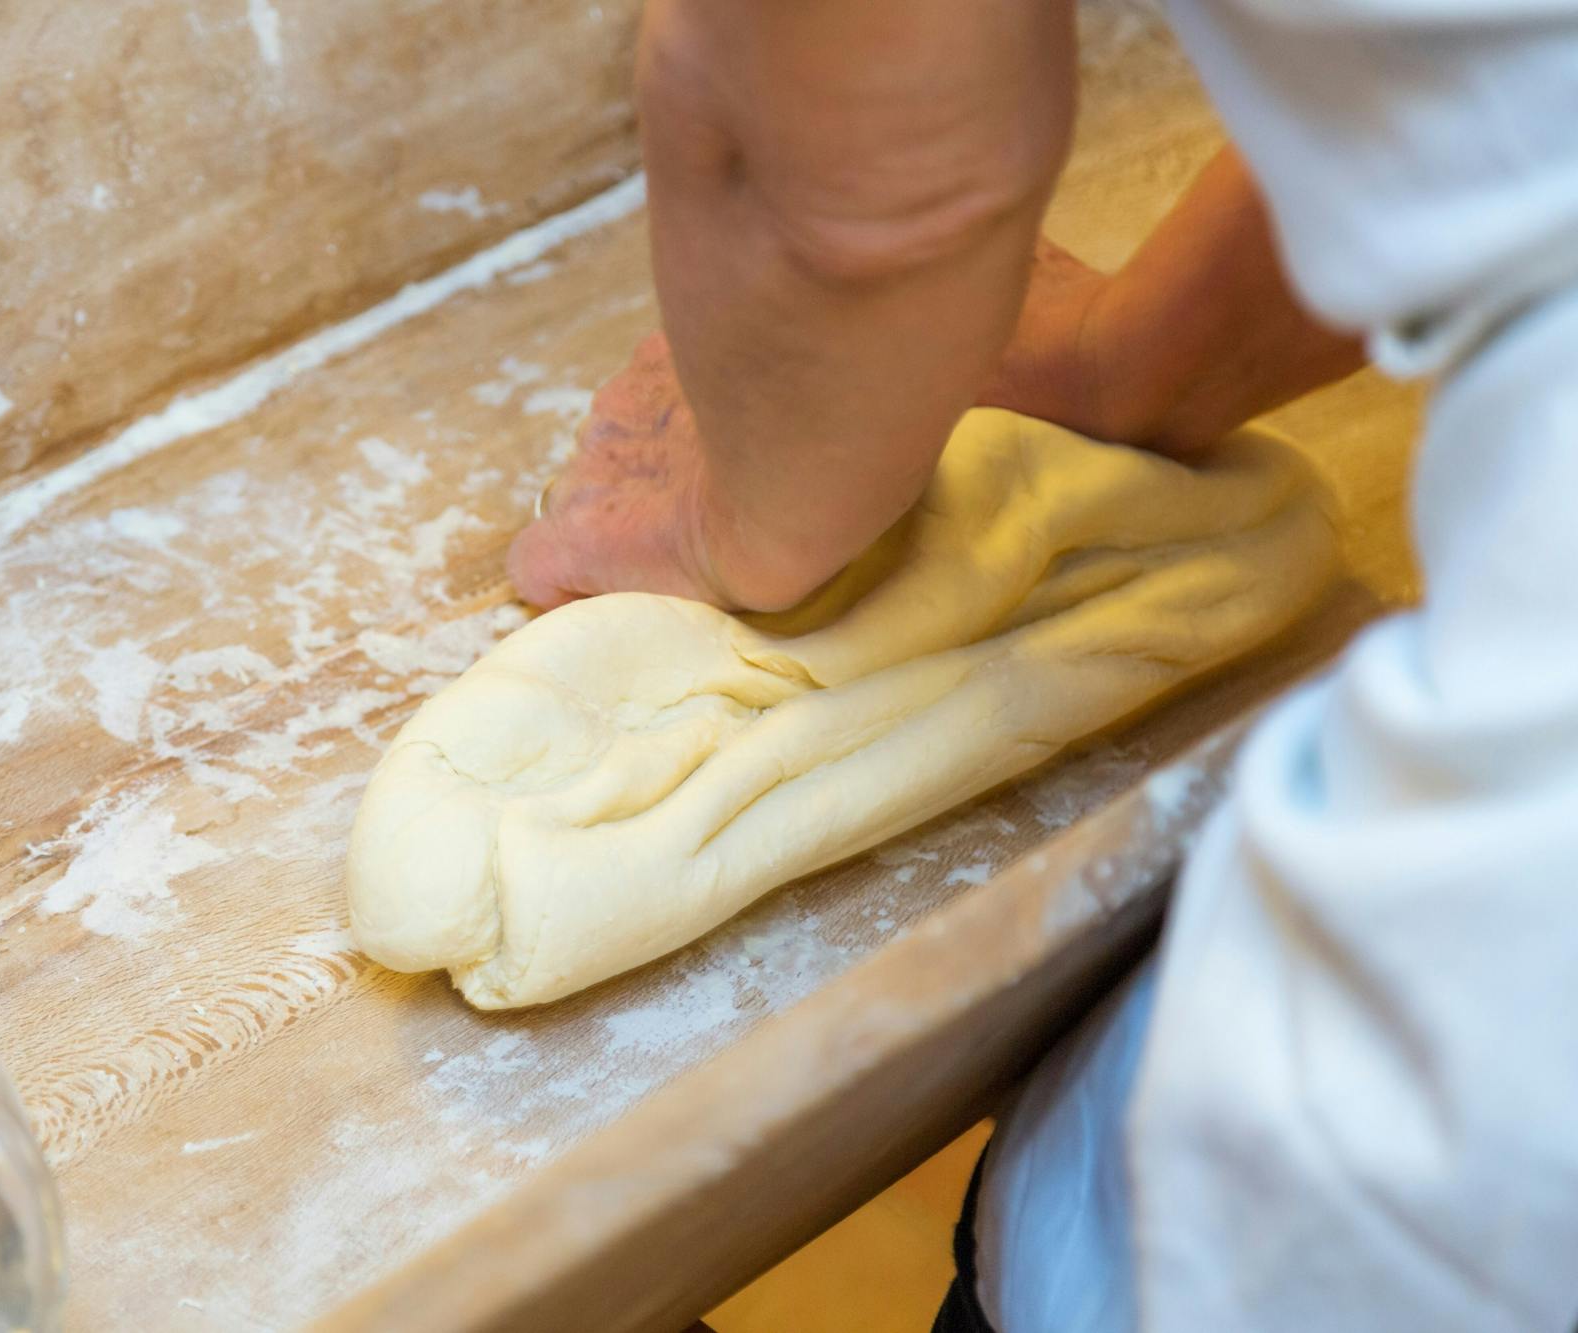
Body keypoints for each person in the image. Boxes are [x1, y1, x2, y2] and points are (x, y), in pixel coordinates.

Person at [509, 1, 1578, 1329]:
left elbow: (872, 156)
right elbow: (1500, 98)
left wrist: (735, 524)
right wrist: (1127, 365)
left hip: (1461, 1139)